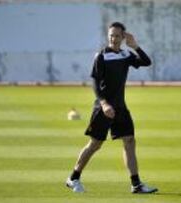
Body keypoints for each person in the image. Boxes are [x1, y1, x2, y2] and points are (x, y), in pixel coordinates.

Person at [66, 22, 158, 194]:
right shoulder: (101, 56)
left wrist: (135, 46)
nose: (113, 39)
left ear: (123, 37)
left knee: (129, 141)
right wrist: (104, 103)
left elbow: (146, 62)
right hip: (104, 107)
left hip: (120, 107)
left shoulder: (125, 54)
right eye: (111, 36)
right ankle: (73, 178)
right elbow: (94, 82)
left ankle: (136, 184)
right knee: (95, 144)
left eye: (117, 36)